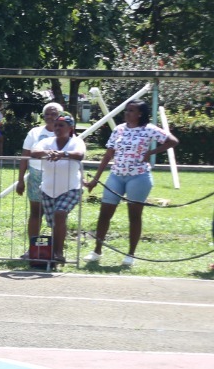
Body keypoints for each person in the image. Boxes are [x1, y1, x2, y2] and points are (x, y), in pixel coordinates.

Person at [83, 99, 180, 266]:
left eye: (131, 111)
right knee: (104, 213)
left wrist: (152, 152)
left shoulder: (149, 129)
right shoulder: (119, 129)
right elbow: (108, 155)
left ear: (140, 114)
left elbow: (173, 141)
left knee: (134, 216)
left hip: (139, 177)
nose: (127, 113)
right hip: (116, 175)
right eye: (126, 110)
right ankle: (97, 251)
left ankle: (130, 255)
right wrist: (95, 180)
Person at [30, 113, 85, 263]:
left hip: (71, 188)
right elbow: (34, 152)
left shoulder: (76, 142)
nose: (57, 128)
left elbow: (79, 154)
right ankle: (45, 252)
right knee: (53, 222)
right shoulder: (48, 142)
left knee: (60, 215)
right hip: (47, 189)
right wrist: (47, 153)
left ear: (70, 128)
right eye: (56, 125)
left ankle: (59, 253)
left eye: (62, 125)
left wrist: (63, 154)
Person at [17, 103, 61, 252]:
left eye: (53, 114)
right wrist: (20, 179)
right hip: (36, 175)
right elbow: (25, 155)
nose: (50, 117)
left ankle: (55, 250)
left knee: (57, 214)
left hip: (56, 176)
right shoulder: (34, 132)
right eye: (47, 114)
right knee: (36, 213)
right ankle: (33, 249)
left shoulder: (64, 132)